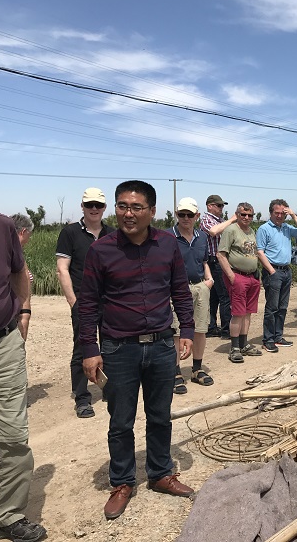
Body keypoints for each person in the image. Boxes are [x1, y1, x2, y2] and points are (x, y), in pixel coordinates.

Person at [79, 180, 195, 520]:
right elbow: (88, 304)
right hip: (118, 349)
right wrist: (90, 348)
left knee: (160, 415)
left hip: (161, 345)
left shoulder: (167, 244)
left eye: (136, 207)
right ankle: (122, 482)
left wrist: (187, 330)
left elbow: (180, 289)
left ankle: (160, 473)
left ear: (152, 211)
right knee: (120, 421)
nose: (128, 214)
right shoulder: (101, 250)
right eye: (122, 206)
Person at [0, 162, 47, 541]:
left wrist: (25, 310)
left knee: (12, 436)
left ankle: (6, 514)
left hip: (1, 344)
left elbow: (19, 269)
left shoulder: (1, 226)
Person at [56, 187, 115, 419]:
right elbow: (62, 269)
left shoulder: (112, 234)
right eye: (89, 204)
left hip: (110, 301)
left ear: (104, 208)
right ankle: (82, 397)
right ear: (82, 206)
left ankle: (109, 389)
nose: (94, 209)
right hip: (83, 301)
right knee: (82, 347)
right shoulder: (70, 233)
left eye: (98, 205)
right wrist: (73, 301)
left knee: (111, 345)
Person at [167, 197, 214, 393]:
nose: (185, 218)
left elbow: (204, 261)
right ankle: (175, 372)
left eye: (189, 214)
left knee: (200, 329)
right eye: (182, 214)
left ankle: (197, 369)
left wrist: (209, 280)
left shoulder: (202, 237)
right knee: (177, 331)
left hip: (200, 287)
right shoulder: (167, 236)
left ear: (197, 216)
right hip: (177, 290)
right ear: (176, 214)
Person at [256, 199, 297, 353]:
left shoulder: (286, 227)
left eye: (282, 213)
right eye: (276, 213)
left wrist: (294, 216)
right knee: (272, 307)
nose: (279, 216)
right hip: (273, 271)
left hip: (286, 270)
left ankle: (278, 336)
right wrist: (271, 270)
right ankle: (268, 339)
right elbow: (260, 252)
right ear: (271, 213)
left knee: (283, 307)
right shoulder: (264, 229)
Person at [216, 202, 262, 363]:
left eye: (250, 215)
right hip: (237, 275)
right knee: (238, 313)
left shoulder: (251, 231)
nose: (247, 217)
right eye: (243, 214)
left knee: (248, 312)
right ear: (237, 215)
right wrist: (231, 276)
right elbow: (221, 254)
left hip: (252, 276)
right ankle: (234, 347)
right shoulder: (231, 230)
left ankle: (244, 344)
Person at [200, 195, 234, 338]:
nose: (221, 208)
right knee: (224, 296)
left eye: (222, 206)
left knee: (214, 296)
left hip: (219, 261)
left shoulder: (220, 221)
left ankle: (212, 326)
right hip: (214, 261)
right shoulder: (206, 219)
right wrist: (231, 220)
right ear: (210, 206)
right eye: (219, 206)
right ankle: (226, 330)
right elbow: (213, 231)